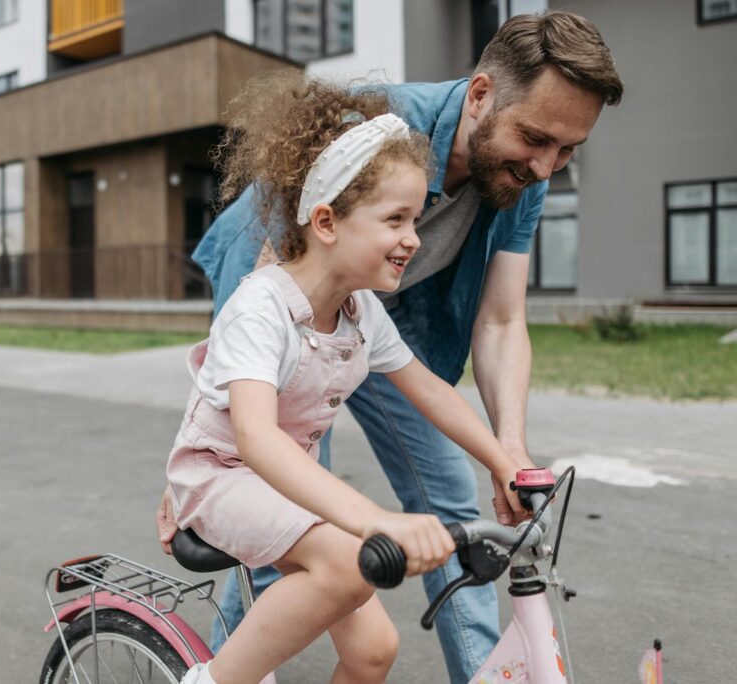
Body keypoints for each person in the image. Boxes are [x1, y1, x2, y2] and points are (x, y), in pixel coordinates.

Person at [159, 10, 623, 683]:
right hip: (270, 358)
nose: (546, 166)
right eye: (536, 138)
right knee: (298, 545)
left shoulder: (370, 306)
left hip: (353, 319)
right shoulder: (370, 138)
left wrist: (507, 455)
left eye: (567, 150)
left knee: (383, 626)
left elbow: (485, 333)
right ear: (482, 94)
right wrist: (370, 516)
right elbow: (254, 415)